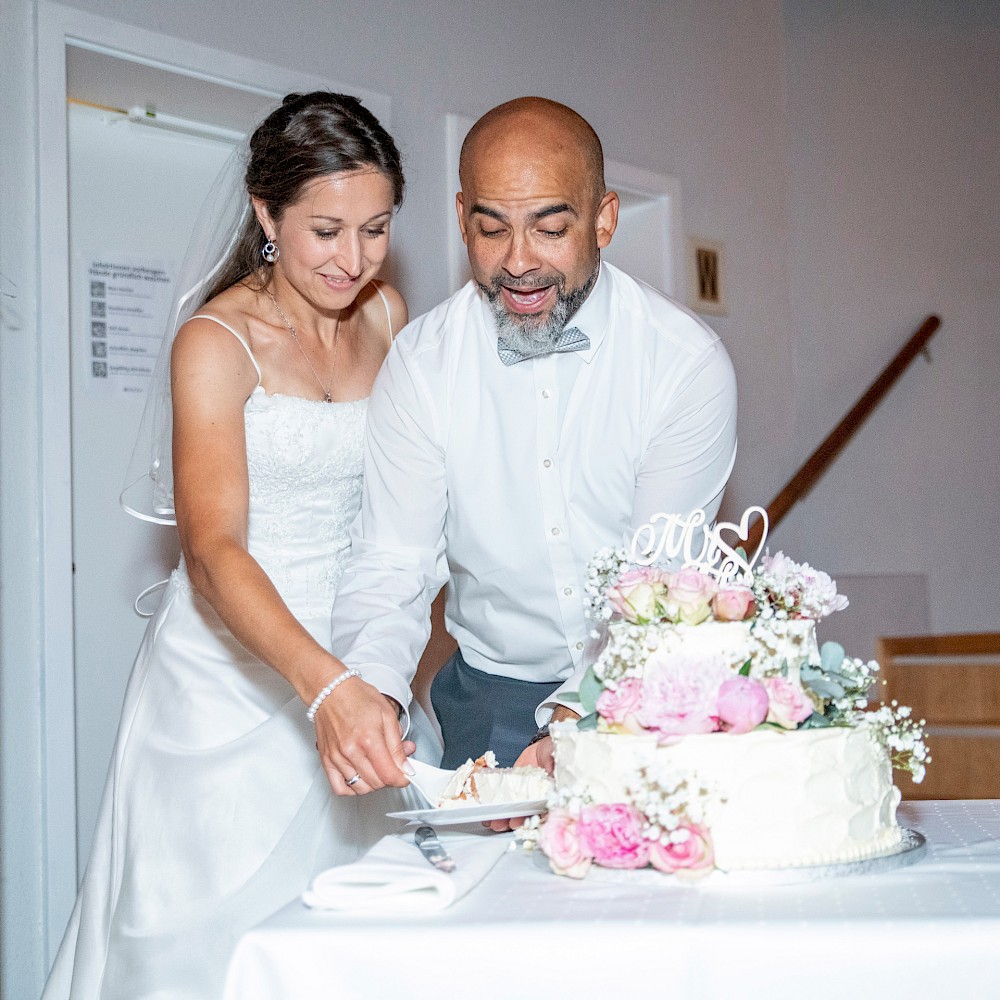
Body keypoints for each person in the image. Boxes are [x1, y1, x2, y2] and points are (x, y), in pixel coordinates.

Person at [43, 91, 428, 1000]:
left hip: (356, 645)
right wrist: (323, 686)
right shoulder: (214, 341)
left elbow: (407, 509)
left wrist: (375, 669)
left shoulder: (388, 317)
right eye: (326, 230)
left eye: (375, 229)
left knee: (361, 941)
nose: (354, 259)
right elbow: (214, 550)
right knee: (206, 948)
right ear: (266, 211)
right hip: (228, 678)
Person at [327, 96, 738, 783]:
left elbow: (658, 584)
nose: (518, 263)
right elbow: (392, 561)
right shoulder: (422, 363)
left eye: (550, 230)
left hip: (646, 687)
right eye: (491, 230)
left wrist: (585, 716)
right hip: (486, 699)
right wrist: (369, 689)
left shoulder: (683, 365)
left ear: (604, 218)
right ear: (461, 217)